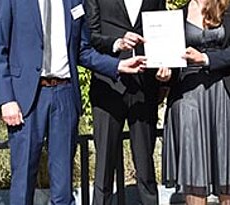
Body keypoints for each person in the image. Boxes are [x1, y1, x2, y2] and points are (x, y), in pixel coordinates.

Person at [0, 0, 146, 203]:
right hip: (26, 99)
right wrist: (6, 99)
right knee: (23, 182)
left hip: (64, 96)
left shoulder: (74, 1)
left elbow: (83, 51)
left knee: (63, 187)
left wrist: (118, 65)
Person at [156, 0, 230, 204]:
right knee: (193, 174)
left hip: (225, 94)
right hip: (188, 96)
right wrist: (165, 75)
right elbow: (170, 57)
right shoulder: (176, 15)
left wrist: (205, 59)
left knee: (228, 172)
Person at [84, 0, 166, 204]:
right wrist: (116, 42)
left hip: (144, 87)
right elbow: (89, 37)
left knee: (146, 166)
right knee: (103, 167)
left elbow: (162, 33)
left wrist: (165, 67)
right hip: (108, 86)